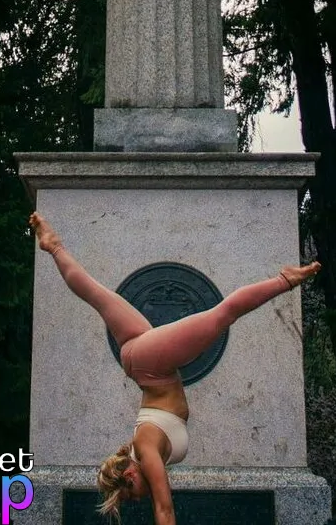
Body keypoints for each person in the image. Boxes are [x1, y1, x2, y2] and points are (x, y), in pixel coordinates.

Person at [29, 212, 321, 525]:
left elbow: (164, 510)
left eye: (130, 494)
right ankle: (54, 246)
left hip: (150, 365)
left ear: (130, 475)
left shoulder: (146, 452)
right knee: (96, 294)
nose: (136, 498)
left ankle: (284, 279)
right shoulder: (142, 451)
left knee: (223, 314)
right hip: (141, 362)